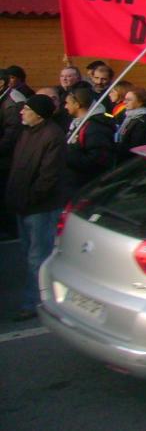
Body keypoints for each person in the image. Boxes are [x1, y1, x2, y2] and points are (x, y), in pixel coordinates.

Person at [5, 94, 65, 321]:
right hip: (24, 205)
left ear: (38, 114)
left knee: (37, 257)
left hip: (40, 208)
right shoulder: (27, 132)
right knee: (29, 254)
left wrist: (30, 198)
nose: (21, 112)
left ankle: (37, 302)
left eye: (26, 109)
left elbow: (48, 177)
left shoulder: (52, 136)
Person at [62, 86, 115, 200]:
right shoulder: (78, 124)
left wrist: (66, 155)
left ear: (77, 104)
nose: (65, 106)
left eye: (67, 103)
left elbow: (97, 160)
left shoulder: (95, 128)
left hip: (85, 188)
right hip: (73, 183)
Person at [114, 87, 146, 163]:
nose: (124, 102)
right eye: (125, 99)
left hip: (131, 162)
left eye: (129, 100)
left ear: (140, 102)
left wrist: (115, 147)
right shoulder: (129, 116)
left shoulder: (142, 121)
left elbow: (136, 147)